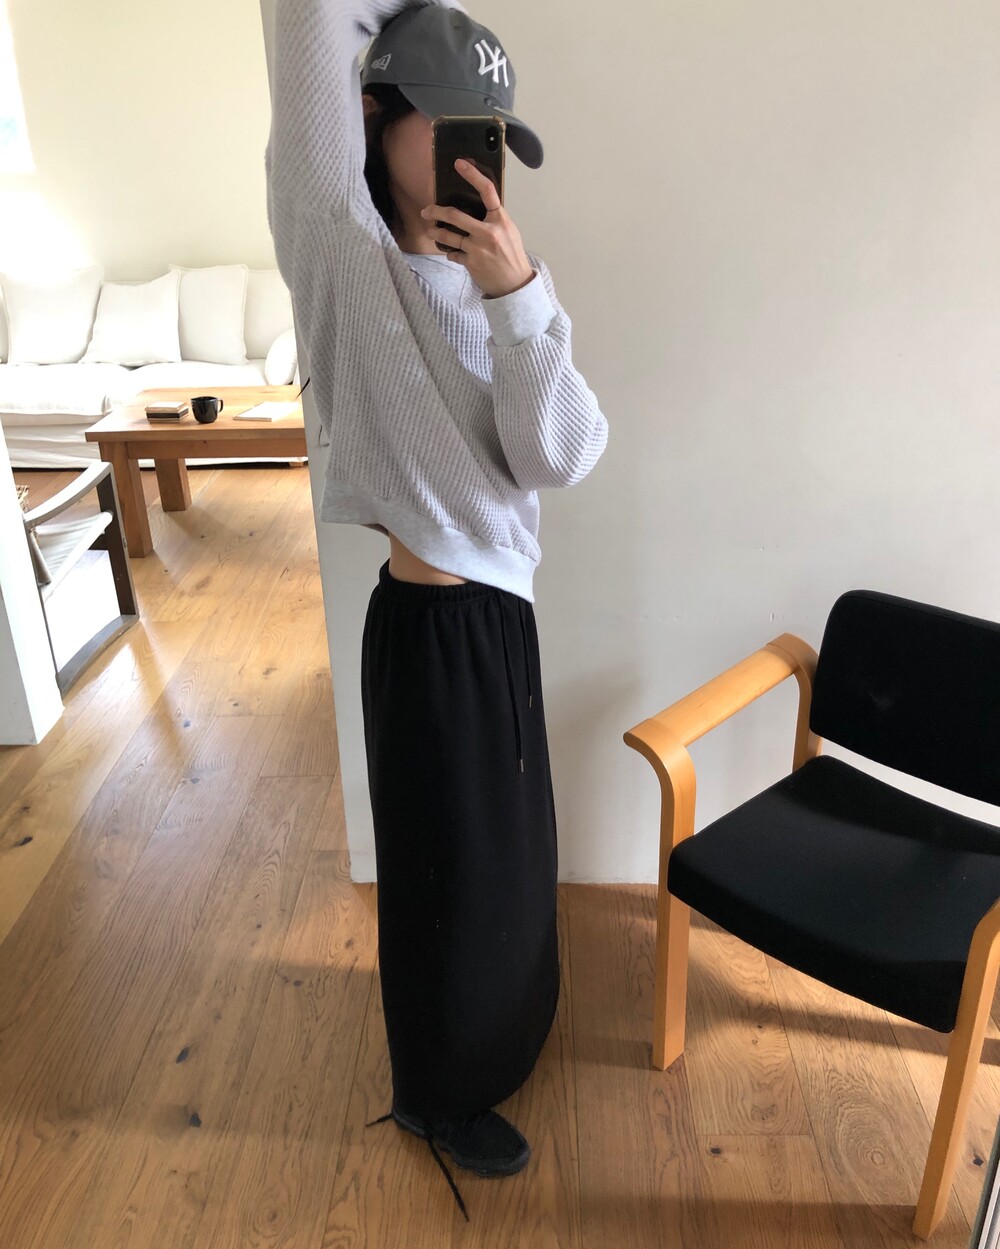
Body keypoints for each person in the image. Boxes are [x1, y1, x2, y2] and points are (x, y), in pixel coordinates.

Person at [264, 0, 608, 1220]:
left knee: (506, 864)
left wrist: (520, 298)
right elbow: (307, 29)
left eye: (498, 136)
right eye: (458, 127)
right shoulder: (343, 251)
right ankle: (438, 1092)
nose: (483, 158)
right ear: (372, 117)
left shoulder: (506, 282)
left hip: (500, 621)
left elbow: (561, 454)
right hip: (425, 628)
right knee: (441, 878)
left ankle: (506, 1038)